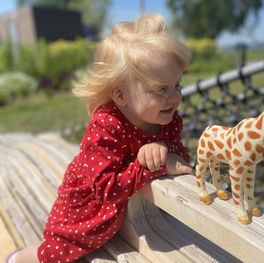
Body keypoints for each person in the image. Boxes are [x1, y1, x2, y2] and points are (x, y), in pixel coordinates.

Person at [7, 14, 192, 263]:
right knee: (56, 253)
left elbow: (179, 160)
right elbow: (106, 189)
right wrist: (154, 164)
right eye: (161, 89)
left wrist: (164, 152)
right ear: (120, 95)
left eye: (177, 85)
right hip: (86, 207)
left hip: (130, 212)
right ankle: (16, 259)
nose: (174, 97)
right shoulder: (106, 125)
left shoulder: (166, 120)